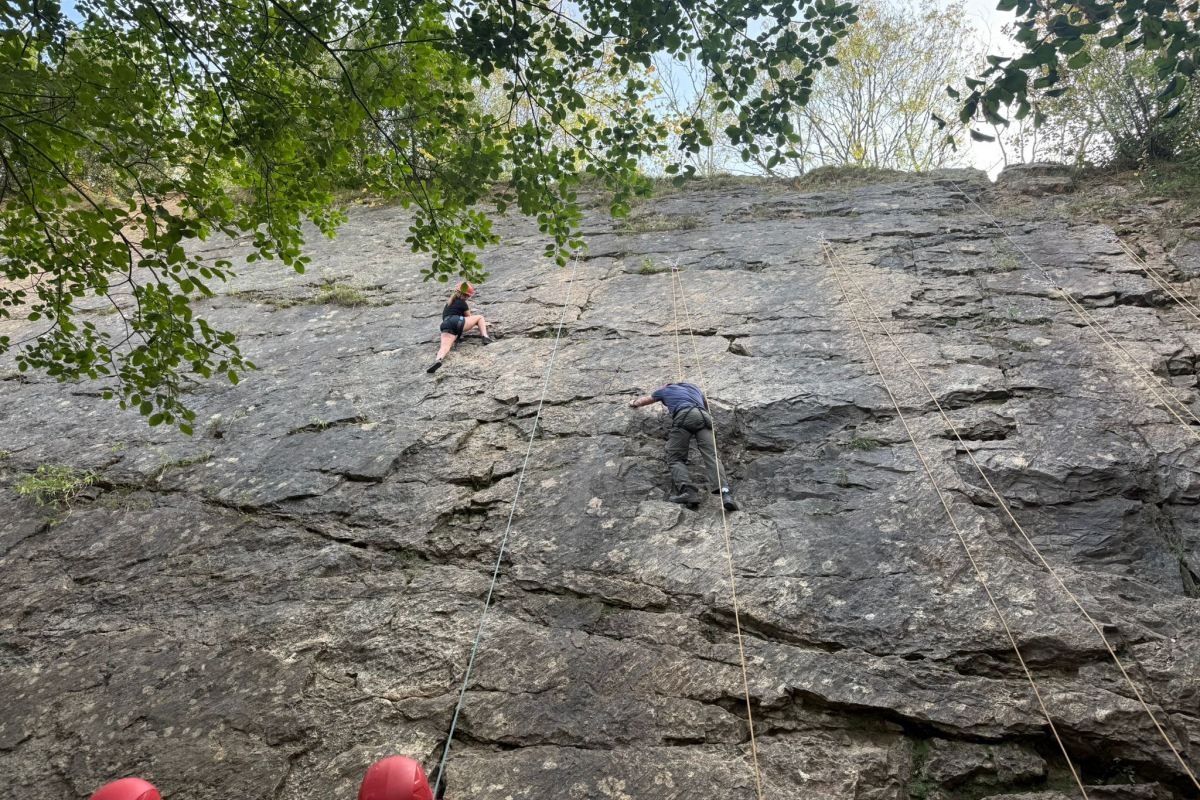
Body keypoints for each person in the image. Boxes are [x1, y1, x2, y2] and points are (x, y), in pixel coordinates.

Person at [628, 382, 740, 510]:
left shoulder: (665, 390)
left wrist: (633, 402)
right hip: (704, 417)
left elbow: (643, 401)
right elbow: (705, 403)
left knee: (675, 457)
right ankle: (726, 494)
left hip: (685, 414)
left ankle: (688, 491)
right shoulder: (694, 388)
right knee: (711, 455)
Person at [428, 282, 493, 373]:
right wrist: (483, 323)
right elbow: (469, 318)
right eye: (466, 295)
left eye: (468, 296)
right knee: (480, 317)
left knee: (445, 346)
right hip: (458, 321)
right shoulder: (462, 303)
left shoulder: (448, 304)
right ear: (460, 293)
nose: (467, 298)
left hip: (445, 325)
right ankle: (485, 337)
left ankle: (438, 360)